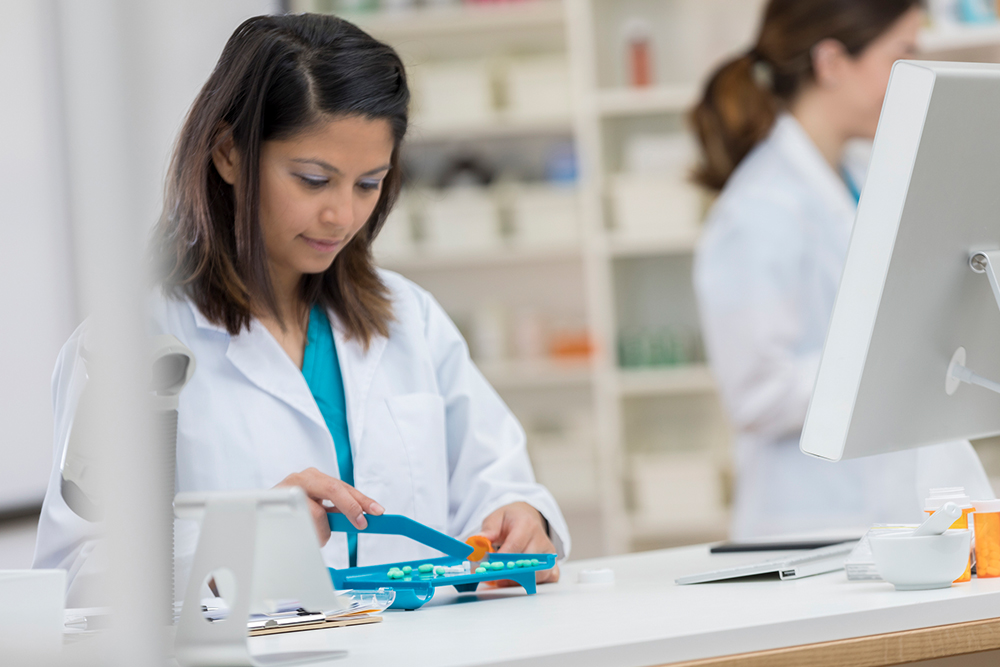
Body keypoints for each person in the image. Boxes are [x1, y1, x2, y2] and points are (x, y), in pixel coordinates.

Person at [33, 13, 568, 605]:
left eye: (368, 184)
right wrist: (246, 542)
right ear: (229, 153)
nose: (342, 215)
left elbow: (495, 481)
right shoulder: (131, 344)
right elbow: (78, 577)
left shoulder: (408, 317)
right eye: (314, 180)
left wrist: (521, 518)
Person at [691, 0, 993, 539]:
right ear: (831, 62)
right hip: (814, 521)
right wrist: (888, 358)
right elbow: (756, 393)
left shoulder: (858, 176)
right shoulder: (760, 208)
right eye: (902, 54)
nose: (912, 72)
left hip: (889, 510)